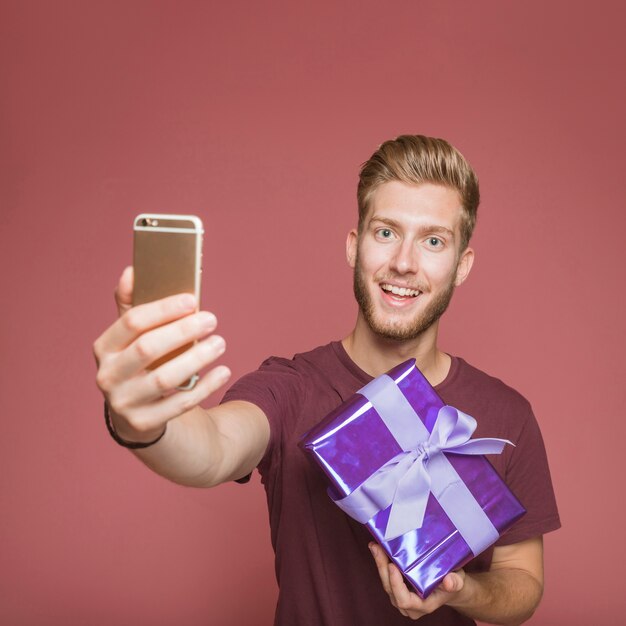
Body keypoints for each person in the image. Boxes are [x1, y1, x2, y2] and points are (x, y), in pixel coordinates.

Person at [93, 135, 560, 625]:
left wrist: (462, 591)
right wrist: (141, 421)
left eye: (434, 240)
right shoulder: (290, 388)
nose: (404, 262)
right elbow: (211, 448)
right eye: (385, 233)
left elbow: (523, 583)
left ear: (462, 265)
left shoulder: (508, 414)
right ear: (354, 246)